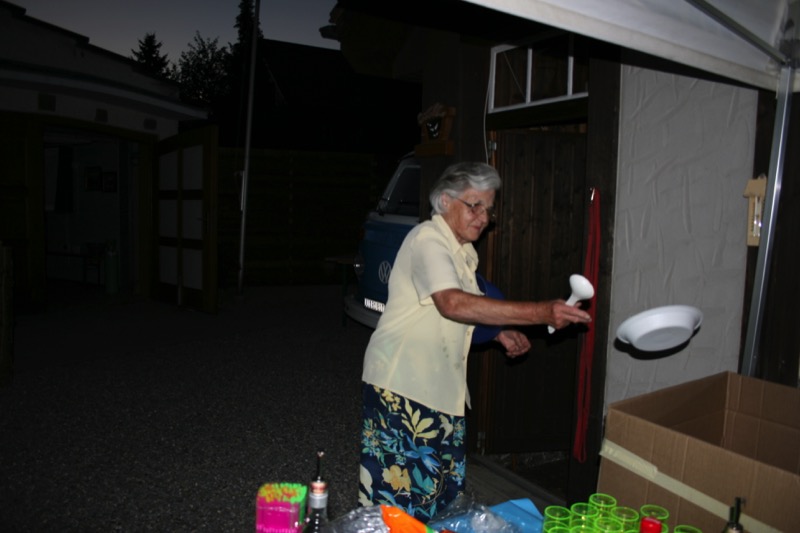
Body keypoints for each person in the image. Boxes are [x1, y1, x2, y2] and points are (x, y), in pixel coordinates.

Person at [357, 162, 592, 522]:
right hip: (402, 387)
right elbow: (451, 303)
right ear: (445, 201)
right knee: (398, 505)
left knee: (441, 497)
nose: (483, 217)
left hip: (440, 392)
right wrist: (541, 313)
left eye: (489, 209)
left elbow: (464, 312)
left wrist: (496, 333)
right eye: (474, 205)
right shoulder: (428, 239)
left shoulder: (462, 253)